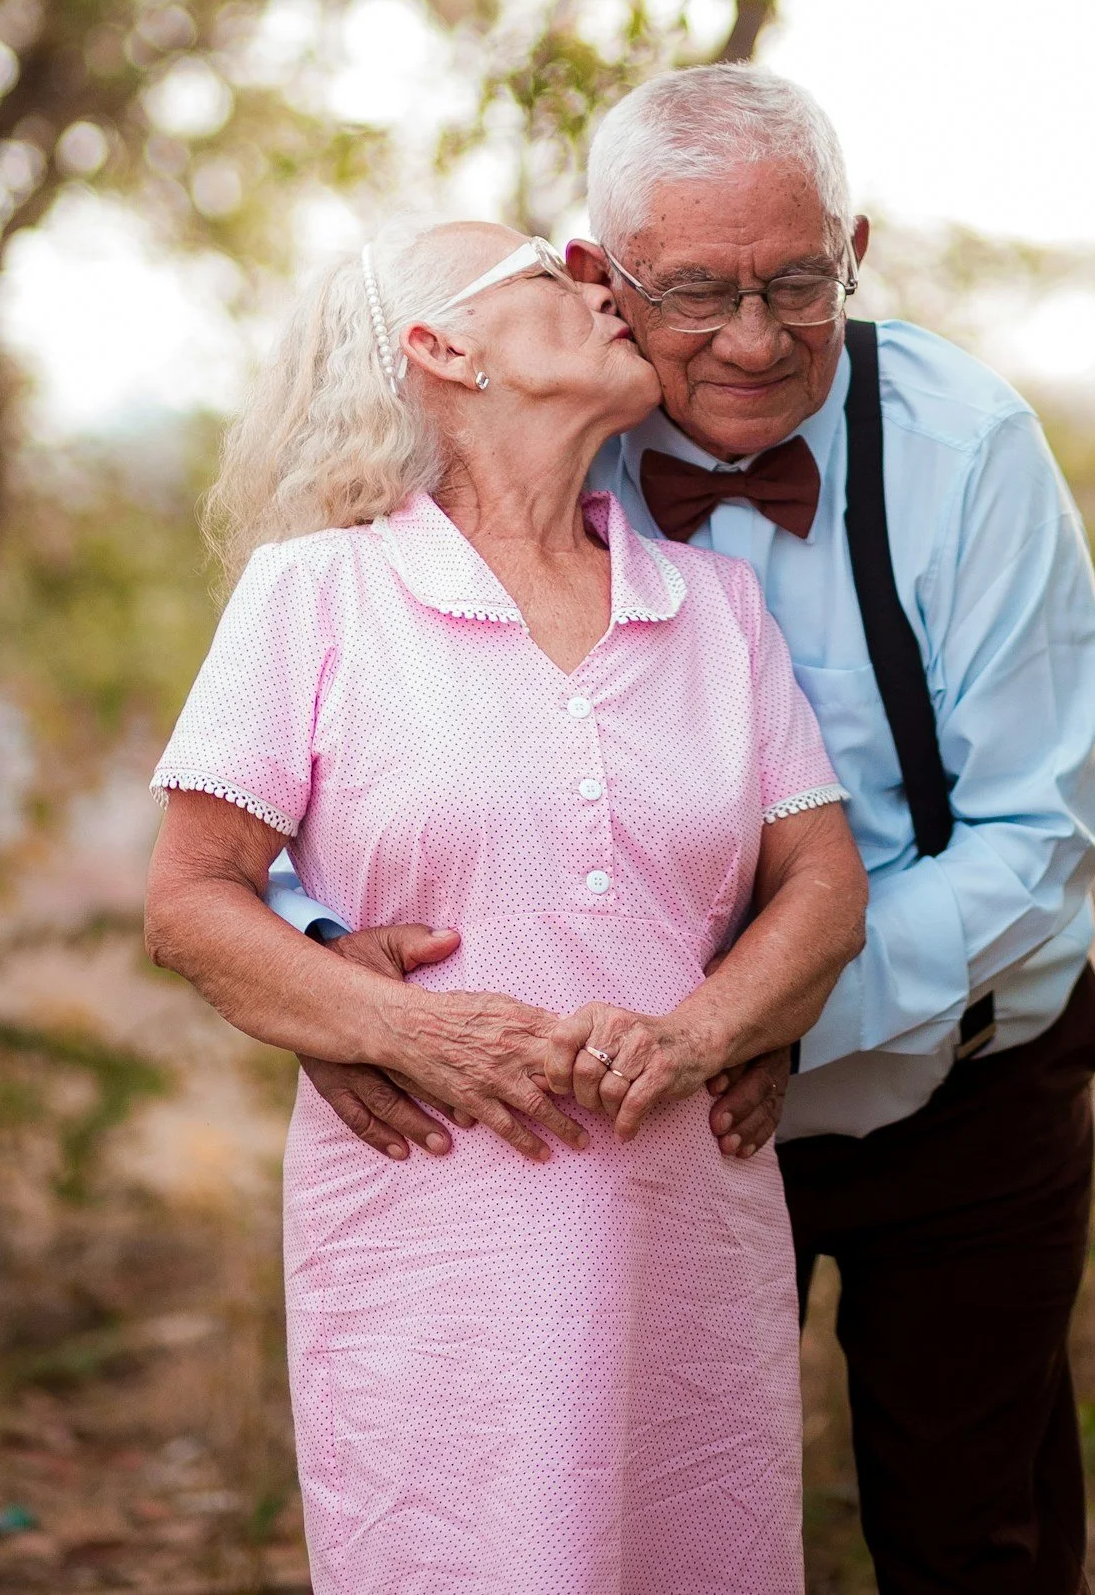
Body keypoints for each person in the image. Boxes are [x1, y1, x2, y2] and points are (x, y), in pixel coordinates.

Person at [281, 67, 1095, 1595]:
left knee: (969, 1531)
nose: (750, 338)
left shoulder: (967, 446)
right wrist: (332, 976)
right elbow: (324, 727)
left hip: (958, 1081)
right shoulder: (534, 418)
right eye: (696, 292)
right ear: (602, 278)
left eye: (797, 284)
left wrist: (768, 1015)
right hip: (634, 1126)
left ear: (852, 249)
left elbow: (1032, 837)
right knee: (637, 1518)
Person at [142, 220, 867, 1595]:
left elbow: (822, 889)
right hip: (435, 1227)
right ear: (439, 348)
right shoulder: (321, 591)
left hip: (681, 1215)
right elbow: (190, 901)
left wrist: (701, 1034)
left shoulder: (711, 608)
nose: (597, 285)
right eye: (547, 268)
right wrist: (402, 1031)